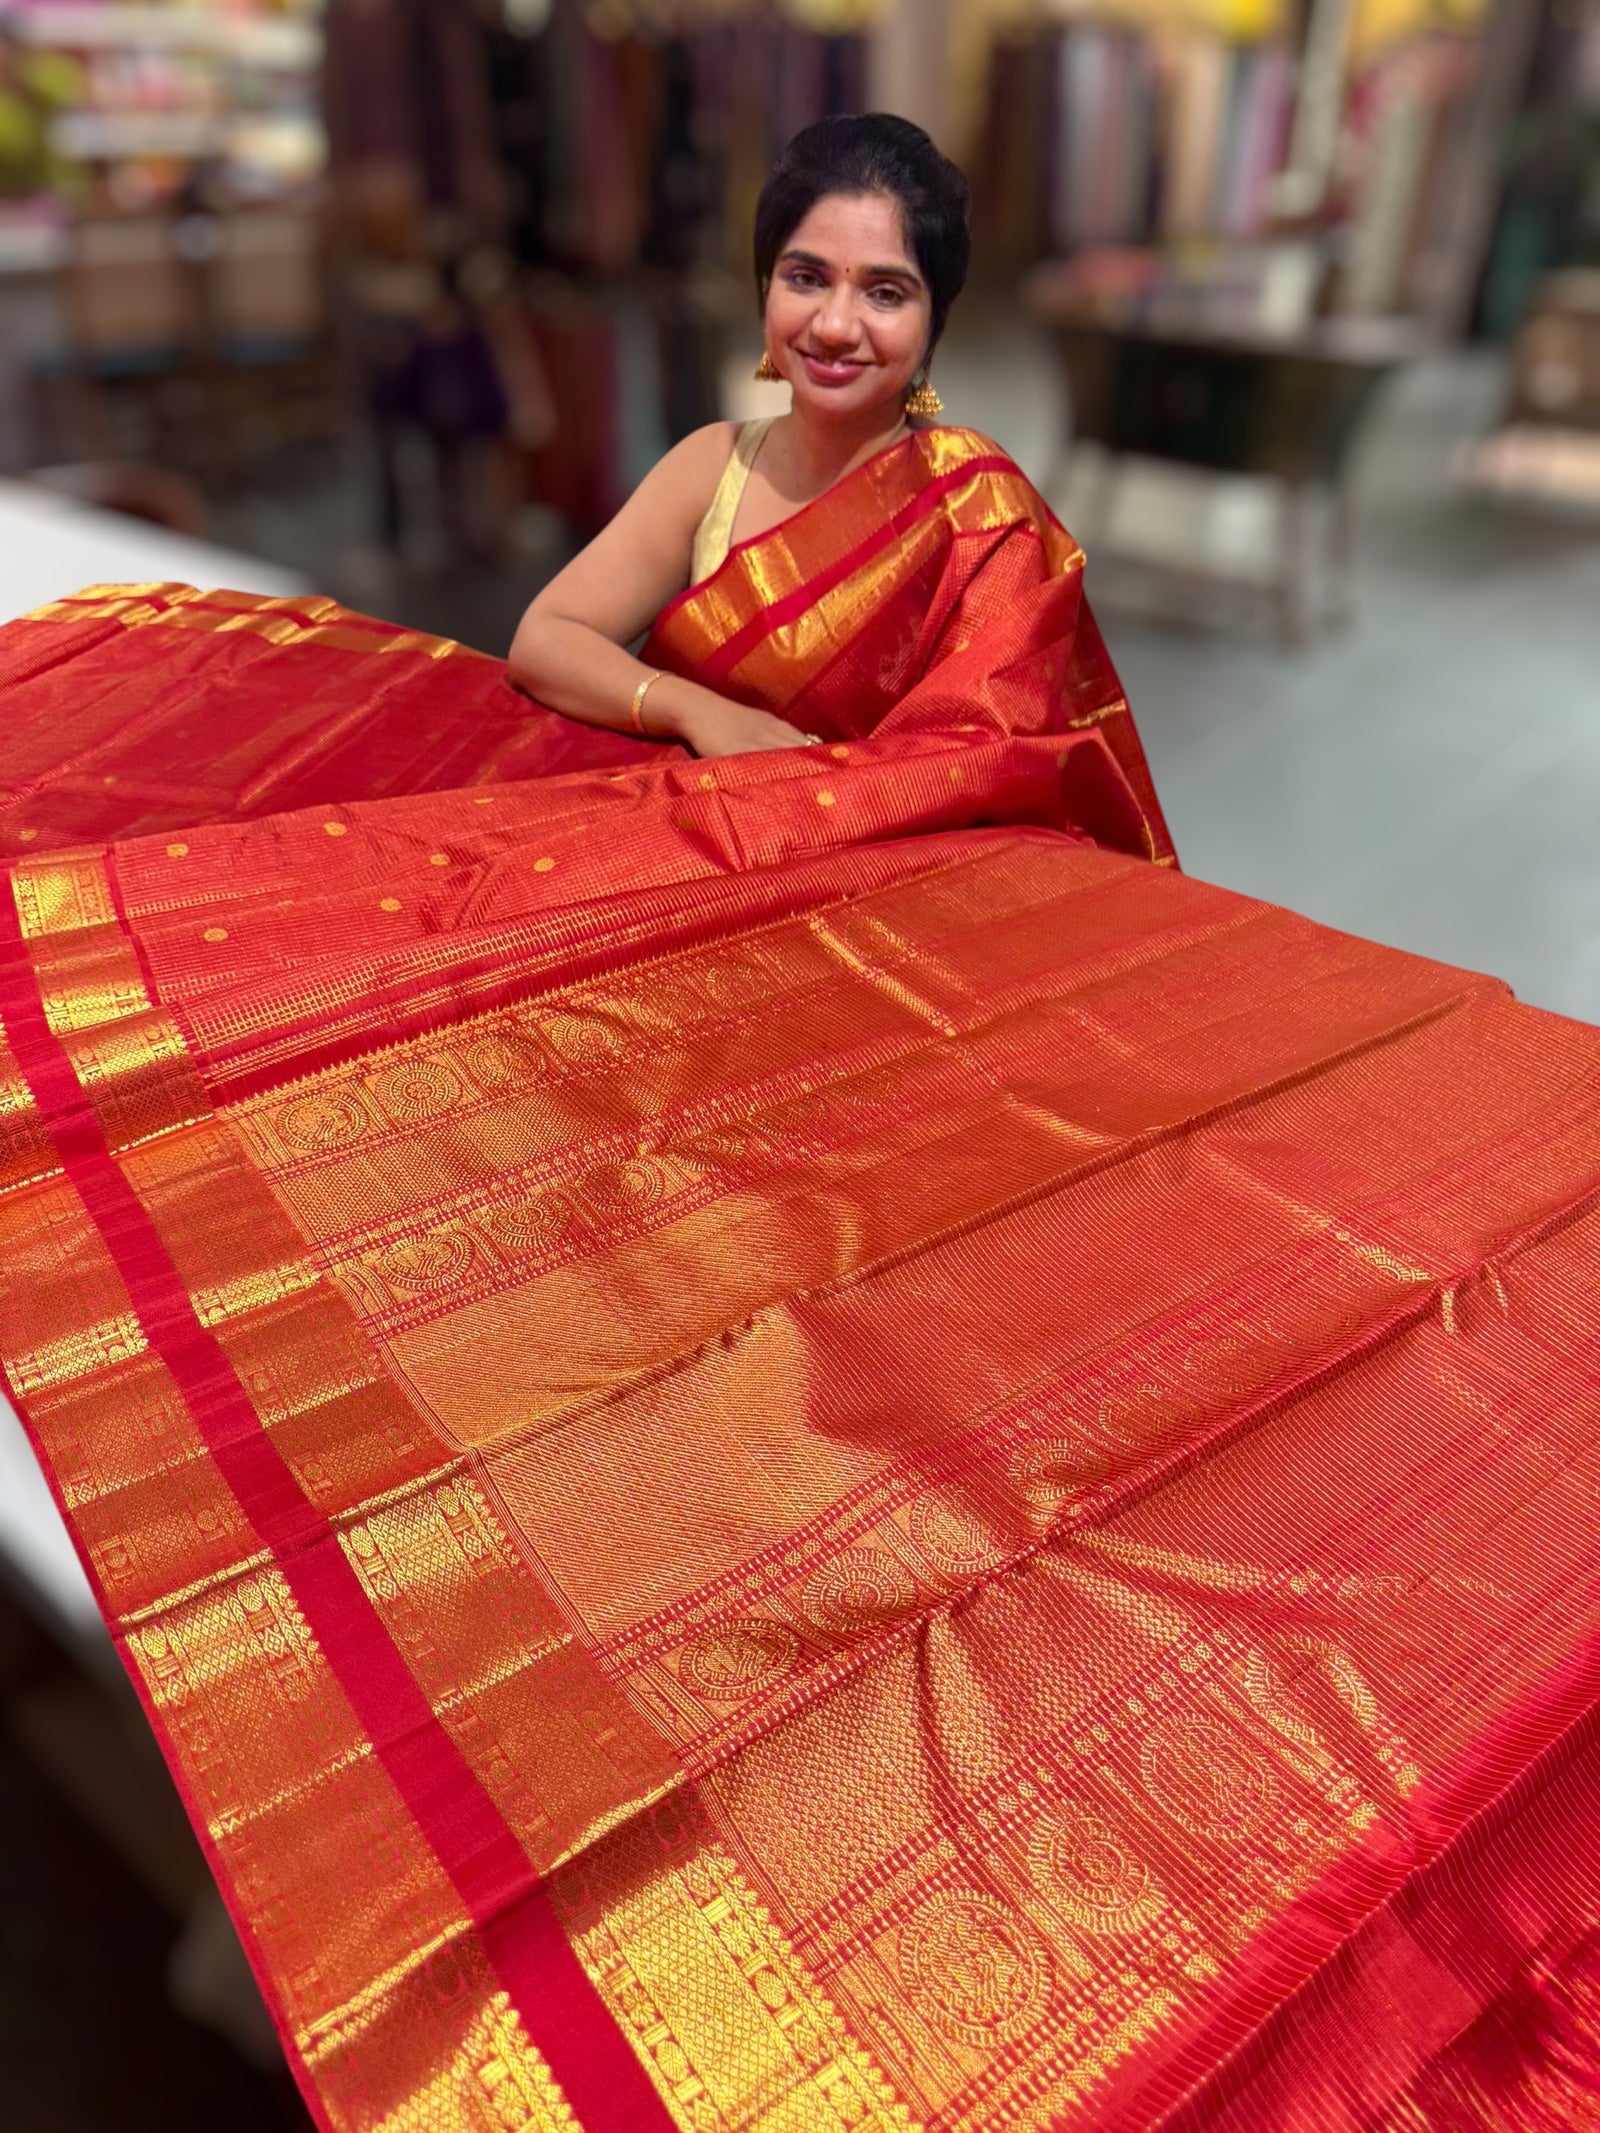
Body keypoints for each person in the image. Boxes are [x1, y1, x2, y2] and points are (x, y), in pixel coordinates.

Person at [2, 116, 1599, 2133]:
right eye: (807, 275)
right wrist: (705, 725)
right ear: (764, 282)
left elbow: (1007, 754)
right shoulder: (710, 467)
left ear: (936, 316)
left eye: (884, 286)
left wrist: (818, 808)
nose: (835, 319)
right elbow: (550, 641)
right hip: (694, 910)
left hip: (877, 906)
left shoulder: (979, 515)